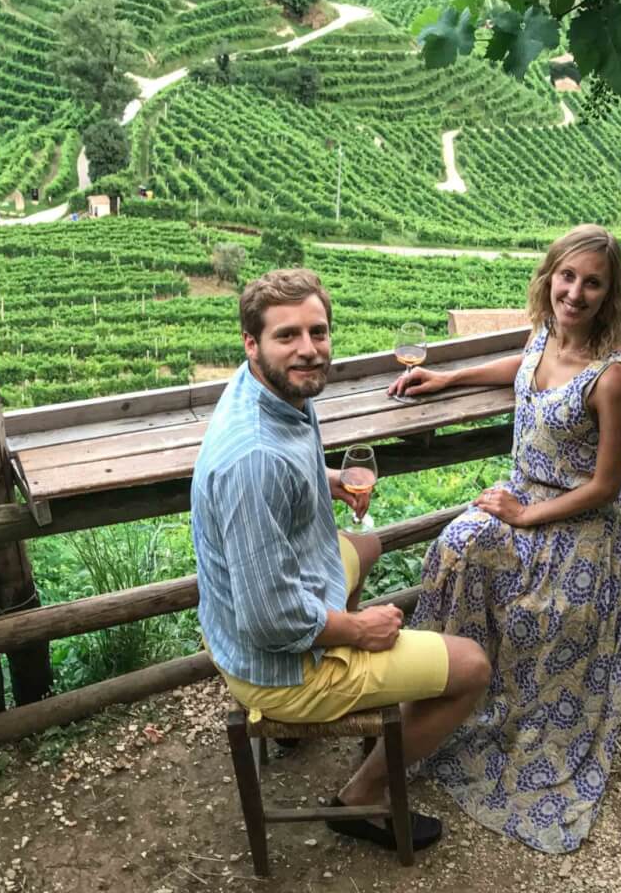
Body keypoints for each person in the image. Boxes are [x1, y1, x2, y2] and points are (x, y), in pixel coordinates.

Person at [191, 268, 491, 854]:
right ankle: (359, 798)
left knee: (368, 545)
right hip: (273, 665)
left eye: (318, 331)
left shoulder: (271, 389)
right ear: (252, 343)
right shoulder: (254, 461)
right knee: (474, 667)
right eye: (287, 336)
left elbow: (283, 474)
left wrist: (325, 479)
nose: (308, 349)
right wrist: (358, 629)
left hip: (263, 613)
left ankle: (341, 689)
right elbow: (268, 620)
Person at [392, 224, 621, 854]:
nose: (576, 292)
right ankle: (428, 699)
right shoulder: (544, 337)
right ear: (549, 277)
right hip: (522, 501)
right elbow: (524, 367)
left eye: (592, 283)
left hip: (580, 528)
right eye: (567, 276)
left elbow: (607, 486)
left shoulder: (613, 377)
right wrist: (449, 378)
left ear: (609, 295)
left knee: (534, 605)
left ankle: (480, 702)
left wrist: (529, 517)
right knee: (455, 547)